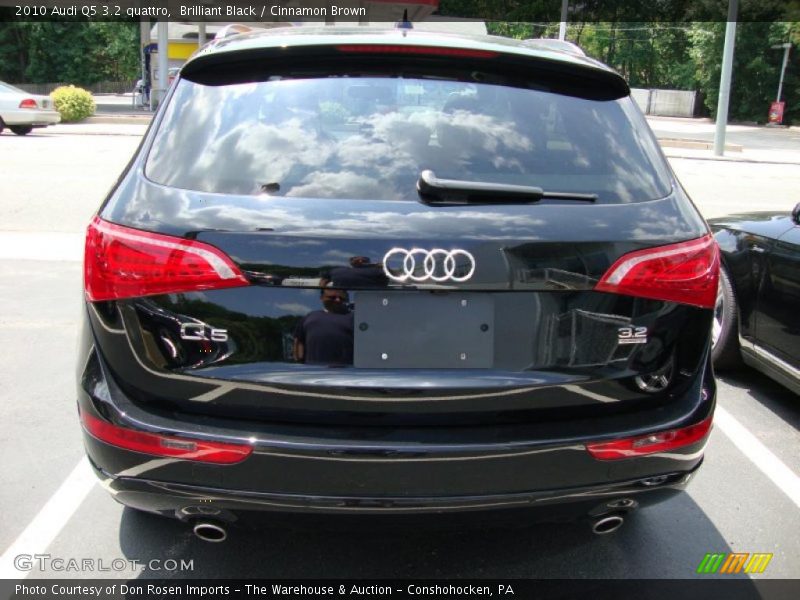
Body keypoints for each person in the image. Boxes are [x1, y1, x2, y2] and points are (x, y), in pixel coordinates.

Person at [293, 288, 354, 366]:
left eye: (342, 298)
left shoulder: (356, 318)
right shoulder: (309, 317)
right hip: (312, 371)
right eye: (332, 297)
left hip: (348, 371)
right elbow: (298, 341)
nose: (338, 300)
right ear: (322, 297)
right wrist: (299, 363)